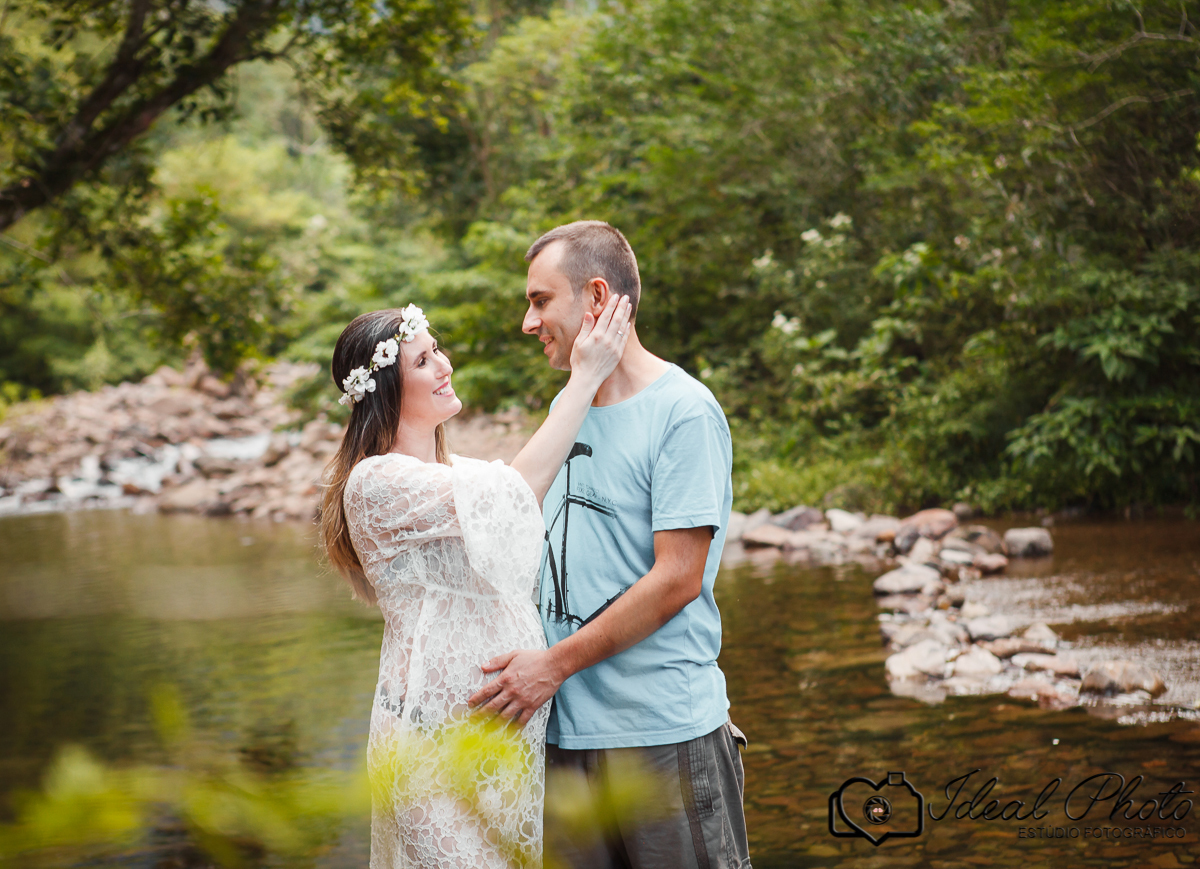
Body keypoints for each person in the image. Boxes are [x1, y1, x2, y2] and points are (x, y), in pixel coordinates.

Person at [469, 221, 752, 869]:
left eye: (540, 300)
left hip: (663, 735)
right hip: (562, 740)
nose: (527, 321)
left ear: (596, 297)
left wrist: (552, 665)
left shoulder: (684, 409)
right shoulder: (567, 411)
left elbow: (679, 576)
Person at [319, 295, 631, 869]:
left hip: (498, 745)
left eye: (438, 351)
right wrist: (585, 376)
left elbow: (514, 502)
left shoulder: (457, 473)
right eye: (423, 360)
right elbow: (515, 494)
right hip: (431, 745)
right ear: (386, 390)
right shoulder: (376, 482)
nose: (445, 366)